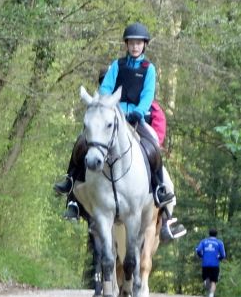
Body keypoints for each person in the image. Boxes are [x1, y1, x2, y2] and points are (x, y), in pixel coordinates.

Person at [53, 22, 183, 241]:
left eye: (138, 43)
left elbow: (148, 94)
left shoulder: (148, 69)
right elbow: (106, 89)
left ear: (144, 45)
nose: (135, 47)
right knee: (83, 142)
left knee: (152, 146)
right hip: (113, 116)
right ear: (126, 44)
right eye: (131, 43)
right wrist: (105, 105)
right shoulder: (117, 65)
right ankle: (71, 190)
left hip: (137, 118)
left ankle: (160, 189)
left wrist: (140, 112)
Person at [196, 228, 226, 297]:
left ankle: (206, 283)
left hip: (205, 264)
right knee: (214, 281)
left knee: (206, 279)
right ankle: (211, 295)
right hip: (215, 264)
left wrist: (201, 255)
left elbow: (198, 250)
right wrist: (219, 258)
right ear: (216, 234)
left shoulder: (204, 241)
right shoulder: (219, 243)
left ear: (209, 234)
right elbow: (223, 255)